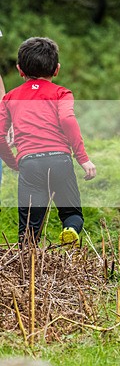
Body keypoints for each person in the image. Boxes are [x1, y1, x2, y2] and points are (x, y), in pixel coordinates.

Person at [0, 37, 97, 245]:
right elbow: (67, 119)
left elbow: (0, 136)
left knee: (28, 229)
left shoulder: (9, 98)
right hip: (59, 160)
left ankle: (27, 267)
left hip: (29, 163)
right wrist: (83, 158)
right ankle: (70, 229)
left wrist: (13, 162)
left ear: (20, 70)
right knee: (72, 214)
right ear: (57, 69)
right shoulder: (62, 93)